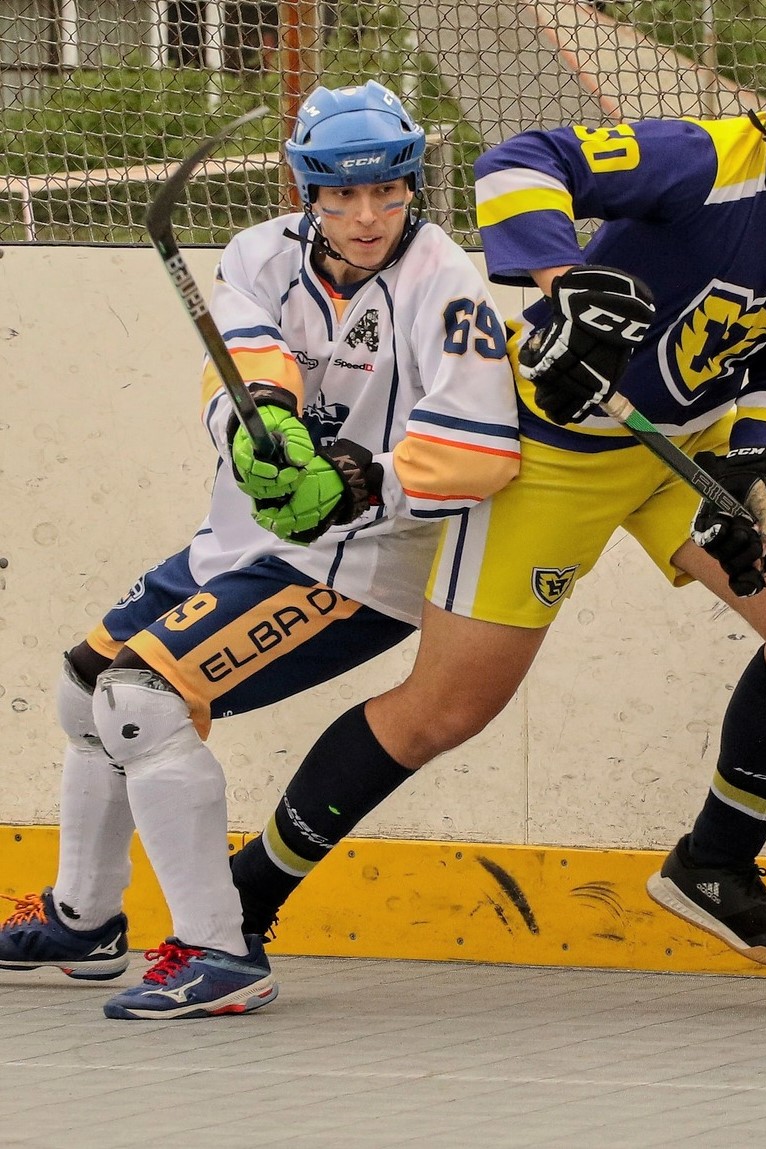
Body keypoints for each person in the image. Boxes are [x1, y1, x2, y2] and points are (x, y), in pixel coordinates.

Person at [225, 0, 766, 973]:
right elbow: (517, 160)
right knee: (445, 712)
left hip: (686, 447)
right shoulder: (703, 160)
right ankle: (244, 901)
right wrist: (558, 280)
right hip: (548, 445)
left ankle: (715, 864)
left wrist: (764, 460)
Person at [0, 81, 521, 1018]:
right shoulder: (259, 255)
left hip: (362, 562)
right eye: (341, 196)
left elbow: (486, 450)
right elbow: (241, 359)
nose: (368, 217)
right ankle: (85, 919)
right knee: (87, 682)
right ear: (304, 190)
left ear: (414, 184)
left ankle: (221, 951)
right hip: (239, 544)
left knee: (143, 700)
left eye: (390, 192)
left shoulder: (446, 282)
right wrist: (254, 427)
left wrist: (368, 479)